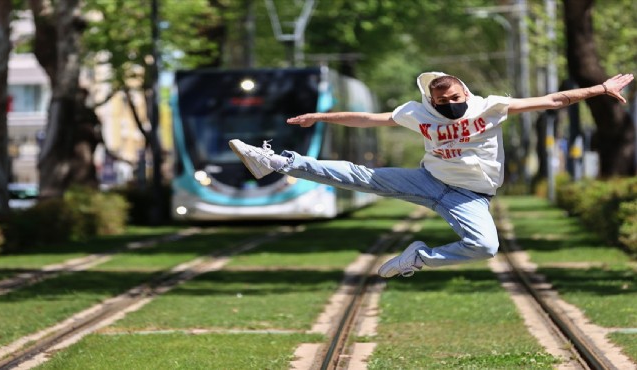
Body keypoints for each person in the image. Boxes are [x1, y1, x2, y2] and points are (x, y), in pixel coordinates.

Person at [229, 71, 634, 278]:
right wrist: (321, 116)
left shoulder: (490, 107)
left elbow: (554, 99)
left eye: (455, 99)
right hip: (428, 180)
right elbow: (369, 119)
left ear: (466, 94)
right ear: (430, 100)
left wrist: (600, 89)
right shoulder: (416, 113)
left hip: (470, 196)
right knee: (359, 175)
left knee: (486, 247)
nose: (450, 105)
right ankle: (278, 162)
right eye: (442, 102)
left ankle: (418, 258)